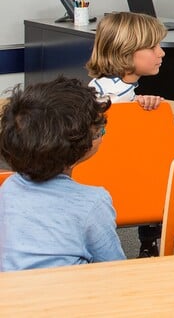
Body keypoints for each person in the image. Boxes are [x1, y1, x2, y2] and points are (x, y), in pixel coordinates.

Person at [0, 77, 124, 270]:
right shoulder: (93, 202)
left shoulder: (9, 187)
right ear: (82, 145)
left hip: (9, 295)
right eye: (99, 131)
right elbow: (115, 267)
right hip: (64, 296)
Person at [84, 10, 167, 257]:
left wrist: (137, 104)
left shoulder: (110, 90)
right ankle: (151, 243)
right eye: (152, 47)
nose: (161, 53)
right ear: (125, 52)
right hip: (123, 178)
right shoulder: (108, 99)